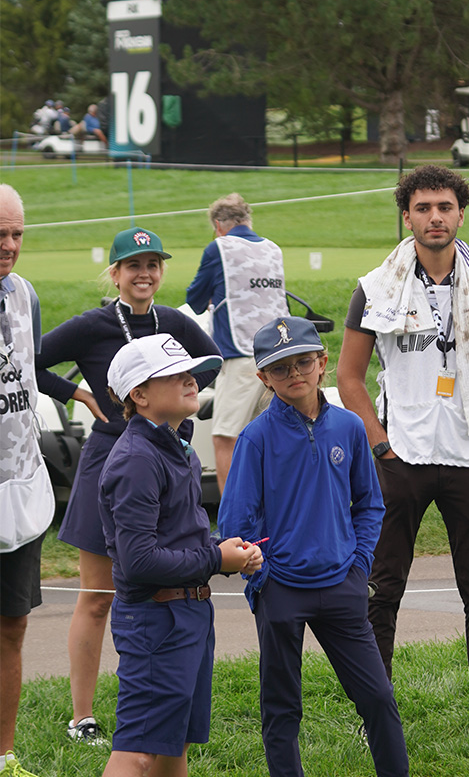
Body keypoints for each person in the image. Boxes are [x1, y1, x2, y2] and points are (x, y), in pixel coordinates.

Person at [336, 165, 469, 742]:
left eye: (445, 206)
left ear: (461, 213)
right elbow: (349, 376)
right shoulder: (376, 286)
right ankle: (376, 713)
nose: (435, 217)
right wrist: (379, 442)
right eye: (423, 208)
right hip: (403, 460)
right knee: (381, 588)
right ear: (407, 215)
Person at [35, 227, 221, 745]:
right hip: (108, 461)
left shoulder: (175, 322)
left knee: (159, 582)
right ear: (114, 273)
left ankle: (154, 701)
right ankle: (83, 716)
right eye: (132, 265)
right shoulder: (93, 324)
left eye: (152, 264)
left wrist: (176, 412)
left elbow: (212, 363)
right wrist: (84, 395)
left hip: (162, 457)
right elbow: (30, 360)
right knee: (98, 595)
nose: (144, 273)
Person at [219, 317, 409, 777]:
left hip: (343, 584)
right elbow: (236, 523)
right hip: (281, 590)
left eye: (304, 361)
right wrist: (263, 578)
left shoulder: (348, 427)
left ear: (322, 363)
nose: (295, 374)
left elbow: (369, 504)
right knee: (282, 707)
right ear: (264, 377)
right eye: (280, 368)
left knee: (378, 697)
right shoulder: (255, 438)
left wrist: (359, 564)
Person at [99, 334, 262, 777]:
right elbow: (140, 561)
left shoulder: (178, 448)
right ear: (141, 394)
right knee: (139, 750)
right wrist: (216, 560)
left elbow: (180, 536)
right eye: (174, 375)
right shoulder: (137, 459)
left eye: (190, 371)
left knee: (173, 745)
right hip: (157, 619)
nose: (191, 379)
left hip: (187, 613)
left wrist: (222, 552)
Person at [0, 184, 53, 777]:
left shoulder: (26, 294)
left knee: (11, 627)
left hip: (19, 487)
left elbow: (30, 372)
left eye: (17, 234)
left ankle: (4, 754)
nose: (10, 246)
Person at [186, 193, 289, 493]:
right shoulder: (273, 248)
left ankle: (234, 524)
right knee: (266, 439)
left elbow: (194, 300)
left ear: (218, 225)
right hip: (280, 355)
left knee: (225, 437)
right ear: (248, 220)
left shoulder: (219, 247)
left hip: (241, 354)